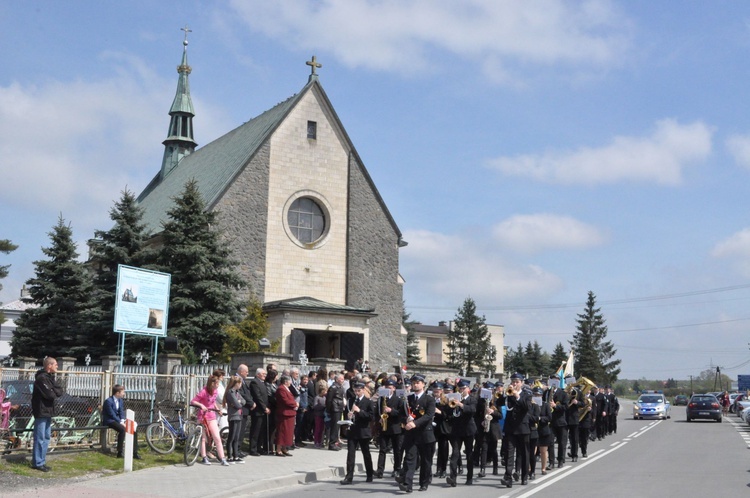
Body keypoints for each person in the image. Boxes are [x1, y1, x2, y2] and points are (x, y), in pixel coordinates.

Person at [396, 374, 436, 493]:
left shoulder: (429, 399)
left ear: (423, 384)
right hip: (411, 434)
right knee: (409, 458)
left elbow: (429, 415)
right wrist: (406, 420)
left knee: (425, 461)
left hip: (425, 434)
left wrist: (415, 423)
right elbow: (401, 414)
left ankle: (424, 482)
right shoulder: (408, 399)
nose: (415, 385)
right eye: (413, 383)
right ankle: (407, 484)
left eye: (418, 382)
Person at [499, 373, 532, 489]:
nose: (514, 384)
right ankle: (508, 477)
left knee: (524, 454)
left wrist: (517, 396)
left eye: (517, 382)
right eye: (513, 381)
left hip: (522, 428)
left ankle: (524, 476)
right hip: (510, 428)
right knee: (509, 453)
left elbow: (527, 407)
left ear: (521, 383)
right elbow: (499, 403)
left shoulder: (527, 395)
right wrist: (501, 395)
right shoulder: (508, 394)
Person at [31, 357, 64, 472]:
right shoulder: (41, 378)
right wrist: (53, 391)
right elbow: (50, 395)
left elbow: (60, 391)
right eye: (55, 364)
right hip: (41, 411)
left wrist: (53, 390)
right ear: (49, 365)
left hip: (49, 411)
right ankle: (37, 462)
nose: (57, 366)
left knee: (46, 437)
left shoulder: (50, 378)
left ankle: (42, 461)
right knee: (40, 437)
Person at [340, 381, 375, 484]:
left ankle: (369, 474)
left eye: (359, 391)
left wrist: (359, 411)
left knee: (366, 453)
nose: (357, 393)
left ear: (363, 390)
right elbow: (346, 413)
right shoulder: (351, 400)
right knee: (350, 454)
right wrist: (349, 416)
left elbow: (371, 417)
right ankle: (349, 476)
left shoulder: (368, 402)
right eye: (355, 391)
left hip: (363, 431)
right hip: (353, 431)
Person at [191, 375, 229, 466]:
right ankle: (204, 457)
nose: (218, 386)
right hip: (203, 417)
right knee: (203, 438)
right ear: (212, 384)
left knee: (217, 437)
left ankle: (222, 458)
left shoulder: (215, 391)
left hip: (212, 416)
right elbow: (193, 401)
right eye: (217, 384)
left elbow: (213, 402)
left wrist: (217, 409)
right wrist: (201, 405)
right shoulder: (204, 391)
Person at [446, 379, 477, 487]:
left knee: (469, 454)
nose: (462, 390)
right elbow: (448, 413)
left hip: (468, 430)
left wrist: (461, 405)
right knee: (455, 454)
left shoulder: (472, 399)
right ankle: (453, 478)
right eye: (460, 388)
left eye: (464, 388)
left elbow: (472, 410)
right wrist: (451, 405)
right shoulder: (453, 399)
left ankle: (469, 477)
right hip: (456, 430)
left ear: (468, 388)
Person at [102, 384, 142, 460]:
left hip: (119, 420)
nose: (124, 394)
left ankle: (135, 452)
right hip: (110, 420)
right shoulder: (108, 401)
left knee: (134, 429)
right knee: (123, 430)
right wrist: (121, 422)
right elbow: (111, 414)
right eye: (123, 392)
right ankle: (119, 452)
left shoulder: (120, 400)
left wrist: (123, 420)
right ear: (117, 393)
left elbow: (121, 412)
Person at [375, 379, 404, 478]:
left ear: (394, 389)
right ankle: (380, 470)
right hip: (384, 427)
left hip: (395, 427)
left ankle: (397, 469)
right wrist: (379, 418)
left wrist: (391, 410)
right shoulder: (381, 399)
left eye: (390, 388)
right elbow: (376, 412)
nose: (388, 389)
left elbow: (401, 413)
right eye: (387, 388)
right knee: (382, 449)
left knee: (397, 450)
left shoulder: (399, 399)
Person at [275, 375, 299, 457]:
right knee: (282, 431)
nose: (290, 382)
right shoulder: (281, 389)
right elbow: (285, 400)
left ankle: (284, 448)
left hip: (290, 413)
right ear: (285, 381)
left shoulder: (287, 388)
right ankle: (278, 449)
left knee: (288, 433)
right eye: (289, 381)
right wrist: (295, 404)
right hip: (284, 413)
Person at [224, 375, 246, 463]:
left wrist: (239, 402)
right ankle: (229, 456)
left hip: (239, 415)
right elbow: (238, 405)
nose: (240, 385)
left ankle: (235, 456)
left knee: (237, 437)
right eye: (240, 383)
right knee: (232, 436)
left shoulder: (237, 392)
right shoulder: (230, 392)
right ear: (236, 383)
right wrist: (239, 403)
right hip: (233, 416)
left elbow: (243, 401)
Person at [249, 368, 270, 456]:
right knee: (255, 430)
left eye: (265, 374)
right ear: (258, 374)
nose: (265, 375)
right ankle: (253, 449)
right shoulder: (254, 382)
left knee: (261, 430)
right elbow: (258, 397)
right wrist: (264, 407)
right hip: (258, 410)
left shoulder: (262, 383)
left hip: (263, 411)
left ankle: (259, 447)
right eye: (263, 374)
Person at [236, 364, 255, 457]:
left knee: (242, 431)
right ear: (241, 371)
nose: (248, 373)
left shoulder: (242, 380)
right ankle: (236, 450)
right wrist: (251, 403)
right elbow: (242, 394)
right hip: (241, 409)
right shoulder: (236, 379)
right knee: (239, 431)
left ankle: (238, 449)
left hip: (245, 408)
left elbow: (247, 393)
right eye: (246, 371)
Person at [326, 373, 345, 450]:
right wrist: (329, 409)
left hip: (339, 407)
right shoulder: (333, 387)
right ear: (337, 379)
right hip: (335, 408)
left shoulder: (340, 387)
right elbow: (329, 399)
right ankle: (331, 444)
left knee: (337, 427)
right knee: (334, 427)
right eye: (341, 379)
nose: (343, 380)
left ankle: (335, 442)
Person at [313, 383, 328, 448]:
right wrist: (322, 406)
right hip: (318, 415)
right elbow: (315, 406)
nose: (325, 392)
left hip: (323, 415)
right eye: (324, 391)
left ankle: (320, 441)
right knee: (318, 429)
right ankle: (316, 441)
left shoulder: (325, 397)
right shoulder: (317, 397)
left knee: (322, 430)